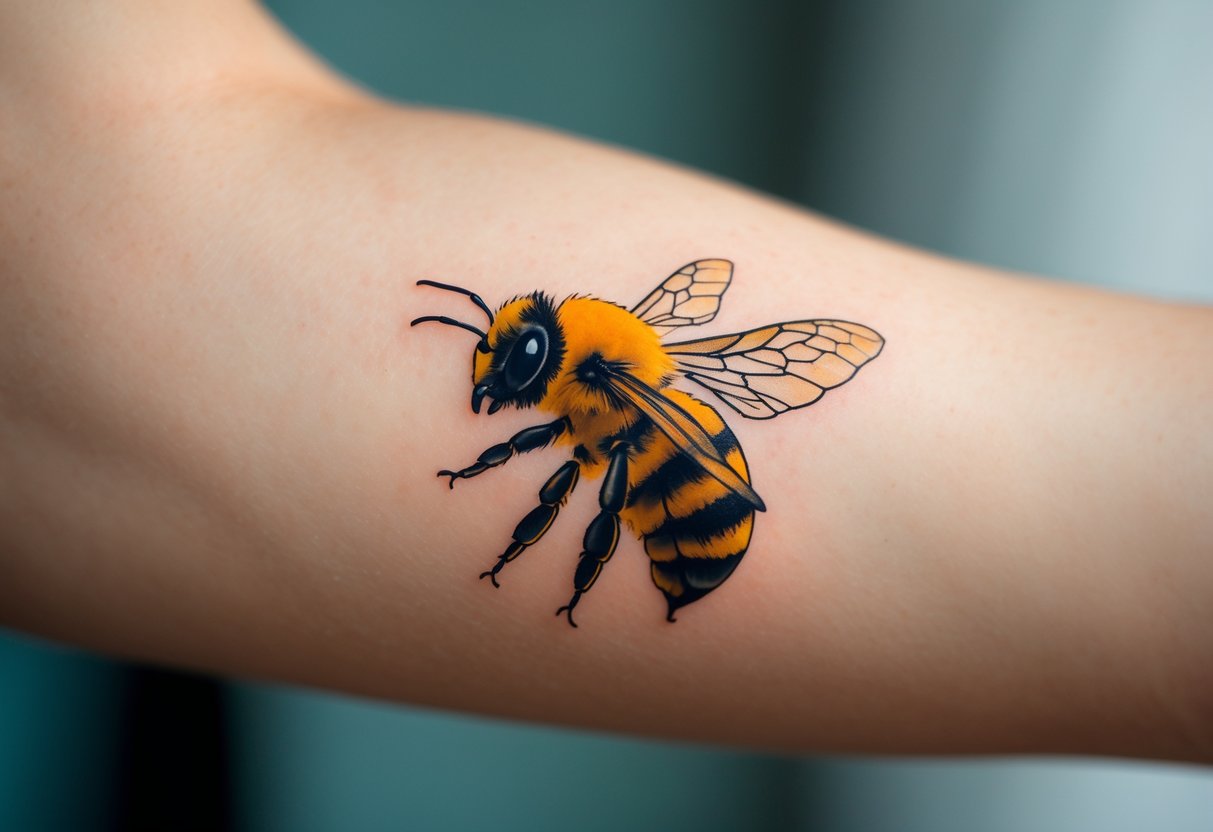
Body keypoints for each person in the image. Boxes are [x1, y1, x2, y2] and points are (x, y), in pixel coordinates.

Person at [0, 0, 1209, 765]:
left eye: (510, 360)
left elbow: (105, 216)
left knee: (580, 483)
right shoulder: (599, 356)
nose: (495, 376)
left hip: (719, 512)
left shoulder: (607, 392)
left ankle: (587, 582)